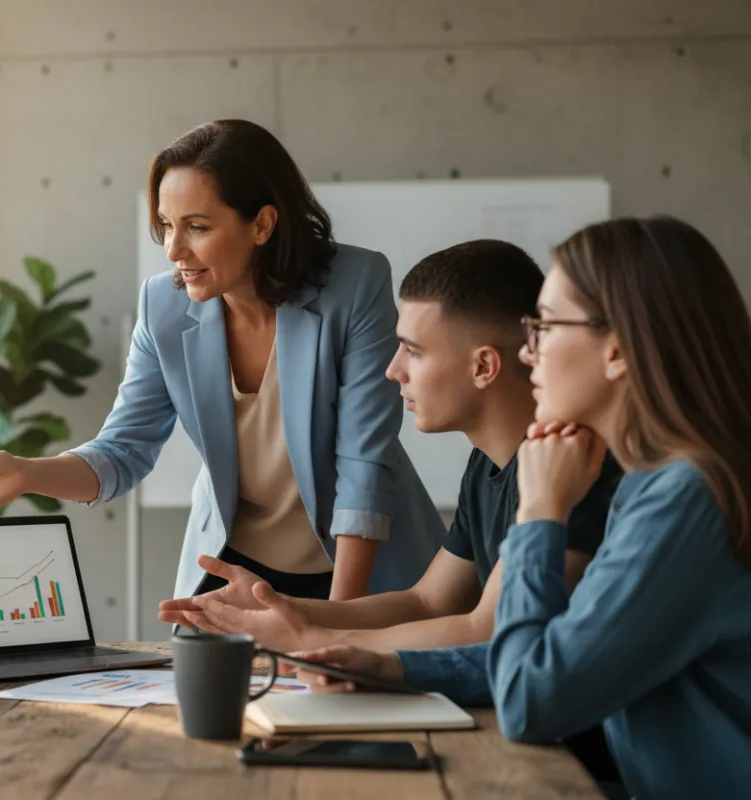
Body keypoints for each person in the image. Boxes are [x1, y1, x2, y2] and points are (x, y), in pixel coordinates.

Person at [288, 217, 751, 799]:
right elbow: (556, 657)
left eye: (545, 328)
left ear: (616, 350)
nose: (528, 353)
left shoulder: (683, 500)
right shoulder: (653, 487)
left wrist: (540, 512)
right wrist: (397, 669)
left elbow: (530, 699)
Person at [0, 119, 444, 602]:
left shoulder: (354, 286)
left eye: (197, 227)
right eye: (167, 225)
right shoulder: (163, 305)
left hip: (358, 570)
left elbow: (363, 465)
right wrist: (26, 473)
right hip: (234, 571)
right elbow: (122, 451)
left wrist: (338, 626)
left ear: (262, 224)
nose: (173, 250)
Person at [159, 240, 621, 655]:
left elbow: (484, 628)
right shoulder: (487, 463)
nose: (393, 370)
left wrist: (317, 641)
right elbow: (426, 601)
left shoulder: (571, 465)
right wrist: (278, 608)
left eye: (413, 352)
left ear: (484, 367)